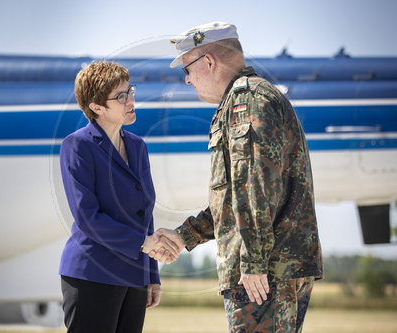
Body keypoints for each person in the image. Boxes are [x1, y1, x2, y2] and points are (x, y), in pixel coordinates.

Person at [150, 22, 324, 332]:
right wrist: (184, 235)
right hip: (275, 267)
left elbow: (254, 188)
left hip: (264, 272)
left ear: (209, 62)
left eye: (186, 70)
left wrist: (253, 263)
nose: (187, 80)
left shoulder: (247, 101)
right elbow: (233, 198)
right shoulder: (246, 99)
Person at [59, 61, 178, 333]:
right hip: (91, 273)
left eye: (130, 91)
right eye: (121, 96)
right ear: (96, 107)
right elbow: (88, 217)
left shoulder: (137, 146)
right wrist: (143, 244)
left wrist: (151, 275)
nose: (131, 100)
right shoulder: (77, 146)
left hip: (134, 277)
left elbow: (144, 213)